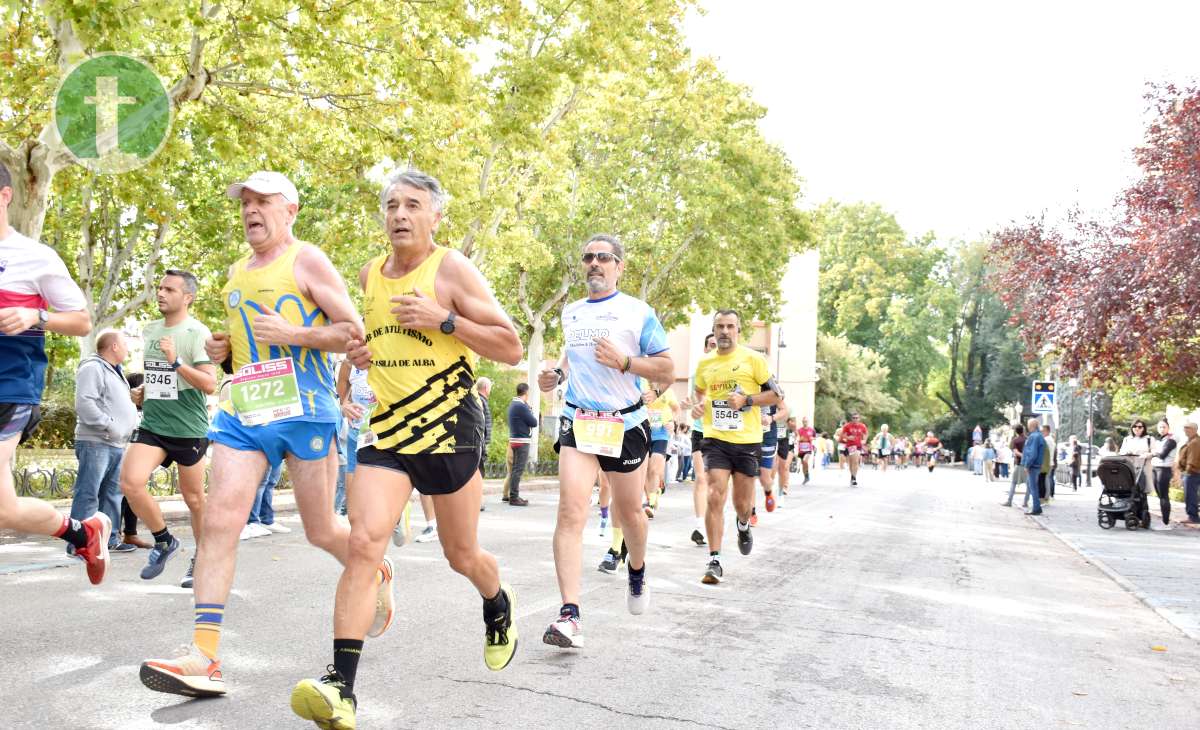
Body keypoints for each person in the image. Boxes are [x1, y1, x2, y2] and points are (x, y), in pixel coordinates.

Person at [141, 171, 393, 700]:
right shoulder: (236, 272)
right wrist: (223, 351)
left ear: (290, 210)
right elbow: (247, 346)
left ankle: (375, 569)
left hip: (306, 410)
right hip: (245, 409)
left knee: (322, 529)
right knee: (219, 522)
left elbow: (352, 331)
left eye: (263, 201)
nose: (251, 210)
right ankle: (204, 656)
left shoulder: (306, 259)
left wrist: (295, 334)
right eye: (246, 202)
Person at [290, 170, 523, 727]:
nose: (399, 214)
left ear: (435, 216)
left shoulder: (452, 269)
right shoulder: (370, 274)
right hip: (390, 430)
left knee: (460, 554)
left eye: (413, 205)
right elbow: (369, 340)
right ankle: (340, 688)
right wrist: (361, 355)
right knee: (366, 542)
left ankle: (496, 601)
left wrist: (445, 318)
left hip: (449, 427)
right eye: (392, 205)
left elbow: (511, 346)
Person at [538, 233, 672, 649]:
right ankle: (569, 615)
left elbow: (667, 369)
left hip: (626, 424)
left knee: (631, 513)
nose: (594, 263)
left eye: (604, 257)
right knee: (569, 511)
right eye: (588, 257)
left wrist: (627, 362)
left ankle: (637, 568)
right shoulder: (572, 312)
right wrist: (554, 377)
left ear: (619, 266)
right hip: (579, 420)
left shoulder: (638, 312)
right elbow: (569, 361)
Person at [0, 161, 105, 582]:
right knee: (5, 509)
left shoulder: (35, 257)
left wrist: (33, 317)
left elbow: (82, 321)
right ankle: (82, 533)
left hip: (10, 388)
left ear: (5, 196)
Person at [119, 270, 219, 589]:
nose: (161, 293)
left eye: (169, 289)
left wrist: (176, 361)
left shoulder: (197, 333)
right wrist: (143, 391)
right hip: (153, 424)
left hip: (188, 428)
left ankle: (202, 560)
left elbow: (209, 384)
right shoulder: (150, 330)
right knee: (130, 482)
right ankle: (164, 541)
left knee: (194, 499)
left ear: (187, 297)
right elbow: (159, 376)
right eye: (160, 288)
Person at [692, 310, 783, 585]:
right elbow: (699, 392)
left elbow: (777, 395)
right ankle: (715, 559)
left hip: (747, 441)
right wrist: (699, 405)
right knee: (714, 494)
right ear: (713, 330)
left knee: (742, 503)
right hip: (716, 438)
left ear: (738, 330)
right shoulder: (705, 363)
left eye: (730, 327)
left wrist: (746, 401)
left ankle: (743, 524)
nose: (724, 331)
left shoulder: (753, 359)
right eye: (719, 326)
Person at [72, 330, 140, 556]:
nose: (127, 349)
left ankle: (109, 540)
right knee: (88, 493)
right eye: (125, 344)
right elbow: (85, 403)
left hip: (117, 443)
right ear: (113, 346)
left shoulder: (115, 371)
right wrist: (109, 425)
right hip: (96, 442)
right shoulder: (93, 367)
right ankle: (79, 542)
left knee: (112, 495)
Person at [684, 332, 717, 546]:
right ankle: (699, 526)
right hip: (700, 431)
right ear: (705, 348)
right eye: (711, 345)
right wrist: (691, 405)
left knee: (717, 482)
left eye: (717, 344)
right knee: (701, 478)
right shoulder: (700, 372)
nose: (714, 347)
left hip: (723, 434)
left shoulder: (733, 372)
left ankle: (713, 521)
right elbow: (696, 399)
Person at [641, 378, 679, 519]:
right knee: (644, 469)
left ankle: (650, 503)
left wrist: (672, 422)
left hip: (661, 432)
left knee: (655, 468)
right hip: (643, 431)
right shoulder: (641, 384)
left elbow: (676, 409)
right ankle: (650, 496)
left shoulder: (667, 390)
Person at [504, 383, 538, 507]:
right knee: (518, 470)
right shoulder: (522, 406)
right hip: (521, 441)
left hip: (514, 440)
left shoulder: (513, 404)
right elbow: (534, 422)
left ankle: (514, 495)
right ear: (526, 393)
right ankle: (514, 497)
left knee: (515, 470)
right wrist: (529, 409)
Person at [1149, 419, 1177, 530]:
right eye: (1160, 427)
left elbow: (1162, 455)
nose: (1162, 429)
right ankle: (1164, 521)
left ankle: (1166, 523)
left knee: (1164, 496)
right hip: (1156, 469)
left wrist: (1152, 453)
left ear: (1168, 427)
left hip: (1164, 470)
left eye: (1164, 427)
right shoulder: (1159, 440)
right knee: (1160, 496)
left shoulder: (1171, 440)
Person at [1119, 419, 1154, 495]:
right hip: (1129, 469)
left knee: (1142, 491)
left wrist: (1148, 455)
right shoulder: (1127, 439)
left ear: (1143, 428)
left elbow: (1155, 452)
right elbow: (1121, 452)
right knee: (1130, 491)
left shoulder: (1149, 439)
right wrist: (1126, 453)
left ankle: (1143, 506)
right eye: (1135, 426)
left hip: (1144, 469)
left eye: (1139, 427)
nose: (1137, 428)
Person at [1177, 421, 1200, 526]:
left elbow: (1192, 459)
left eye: (1188, 428)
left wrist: (1187, 472)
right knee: (1191, 495)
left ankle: (1193, 517)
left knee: (1190, 496)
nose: (1185, 429)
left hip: (1192, 472)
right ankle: (1193, 516)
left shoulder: (1195, 442)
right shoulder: (1191, 440)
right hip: (1192, 472)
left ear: (1194, 430)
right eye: (1184, 427)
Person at [1021, 418, 1045, 515]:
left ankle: (1036, 508)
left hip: (1033, 466)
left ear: (1031, 426)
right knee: (1032, 486)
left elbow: (1032, 453)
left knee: (1032, 487)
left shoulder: (1034, 437)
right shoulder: (1039, 436)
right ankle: (1036, 506)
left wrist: (1027, 465)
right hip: (1037, 465)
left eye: (1028, 425)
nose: (1027, 427)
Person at [476, 376, 492, 512]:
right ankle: (477, 501)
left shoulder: (478, 400)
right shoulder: (481, 401)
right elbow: (483, 424)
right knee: (479, 472)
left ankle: (476, 501)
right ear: (486, 388)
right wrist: (484, 443)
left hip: (478, 443)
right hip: (479, 444)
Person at [839, 414, 868, 486]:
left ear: (859, 418)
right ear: (852, 419)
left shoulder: (862, 426)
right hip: (850, 446)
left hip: (858, 445)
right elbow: (842, 435)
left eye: (857, 418)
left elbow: (866, 433)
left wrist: (864, 440)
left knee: (856, 461)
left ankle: (854, 478)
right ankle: (852, 476)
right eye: (854, 418)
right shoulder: (847, 426)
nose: (855, 419)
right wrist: (848, 437)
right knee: (851, 463)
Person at [1004, 424, 1026, 507]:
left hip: (1019, 464)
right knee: (1029, 485)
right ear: (1023, 430)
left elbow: (1015, 452)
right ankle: (1025, 502)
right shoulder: (1028, 439)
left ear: (1016, 432)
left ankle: (1009, 501)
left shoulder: (1015, 441)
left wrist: (1022, 456)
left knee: (1013, 483)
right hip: (1027, 464)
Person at [795, 415, 816, 484]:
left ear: (808, 422)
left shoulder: (811, 430)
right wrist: (800, 439)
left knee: (805, 461)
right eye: (804, 421)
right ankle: (806, 477)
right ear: (802, 422)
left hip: (808, 449)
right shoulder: (799, 430)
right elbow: (797, 438)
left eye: (806, 421)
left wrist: (811, 439)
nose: (805, 423)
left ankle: (807, 475)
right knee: (803, 464)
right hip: (801, 450)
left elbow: (814, 437)